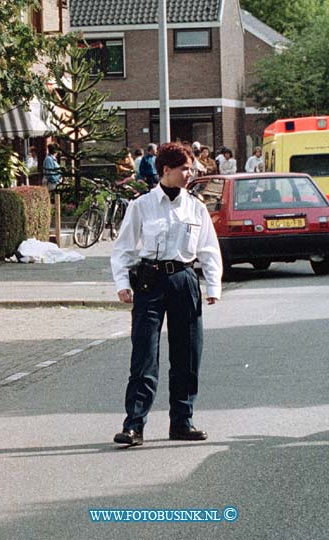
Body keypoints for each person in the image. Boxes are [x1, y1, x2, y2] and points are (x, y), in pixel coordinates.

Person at [110, 142, 222, 447]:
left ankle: (182, 421)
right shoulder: (142, 206)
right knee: (144, 354)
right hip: (150, 280)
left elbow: (209, 249)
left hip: (184, 278)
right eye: (184, 168)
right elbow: (123, 249)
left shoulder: (195, 206)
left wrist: (213, 285)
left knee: (187, 353)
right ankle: (134, 425)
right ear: (166, 170)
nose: (190, 173)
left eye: (191, 168)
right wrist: (122, 283)